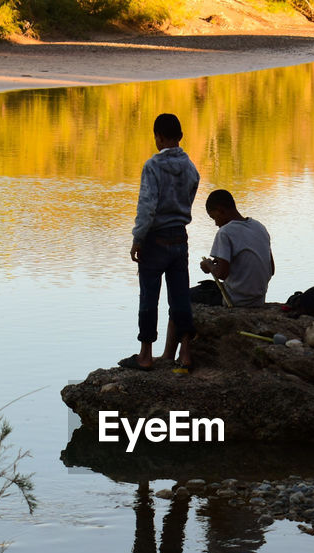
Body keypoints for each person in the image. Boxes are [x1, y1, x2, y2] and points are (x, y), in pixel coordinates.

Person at [122, 112, 199, 373]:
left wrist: (138, 238)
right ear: (180, 137)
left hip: (156, 240)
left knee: (149, 297)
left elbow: (147, 207)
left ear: (158, 137)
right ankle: (185, 354)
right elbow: (190, 194)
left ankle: (145, 355)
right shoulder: (190, 166)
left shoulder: (152, 166)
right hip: (180, 238)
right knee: (180, 298)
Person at [194, 189, 275, 308]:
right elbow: (271, 269)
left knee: (183, 297)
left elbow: (221, 274)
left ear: (220, 211)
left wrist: (209, 265)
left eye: (214, 218)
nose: (216, 224)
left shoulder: (225, 232)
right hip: (258, 300)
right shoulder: (259, 227)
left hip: (235, 300)